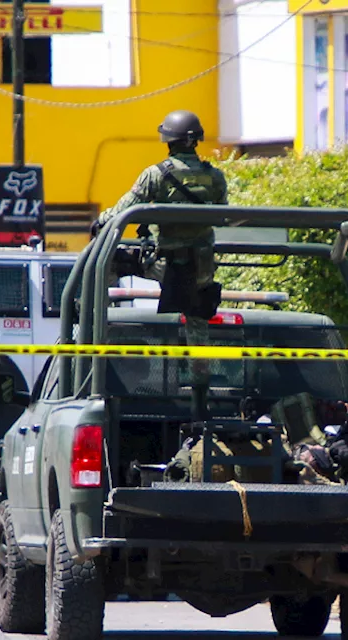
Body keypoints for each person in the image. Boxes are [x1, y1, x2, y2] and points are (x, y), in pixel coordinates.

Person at [91, 110, 228, 420]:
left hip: (168, 265)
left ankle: (93, 327)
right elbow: (223, 214)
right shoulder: (216, 176)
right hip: (203, 268)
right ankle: (200, 399)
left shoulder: (155, 174)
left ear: (168, 141)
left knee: (110, 261)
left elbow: (122, 210)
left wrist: (98, 221)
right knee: (197, 323)